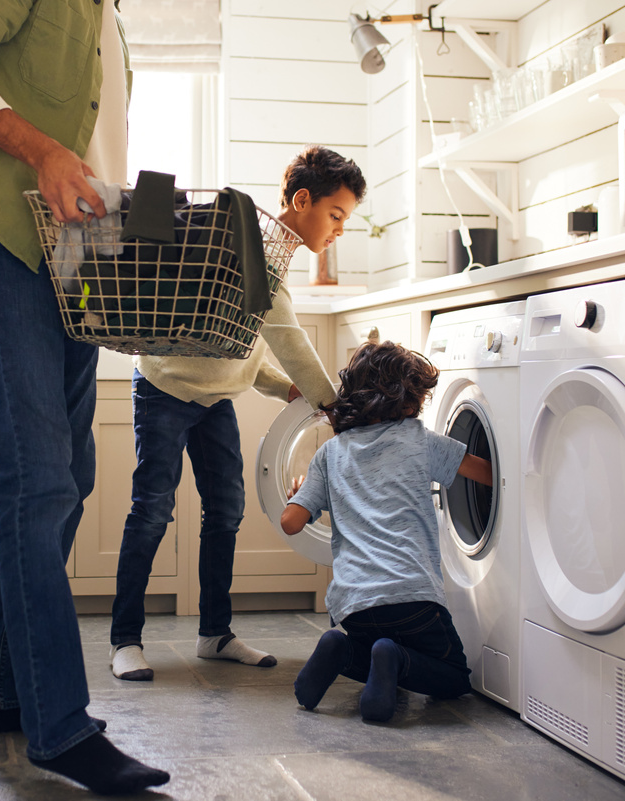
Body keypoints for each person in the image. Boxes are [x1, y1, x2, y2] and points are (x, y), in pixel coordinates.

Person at [0, 2, 170, 795]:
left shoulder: (109, 19)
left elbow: (92, 147)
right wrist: (41, 149)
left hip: (74, 257)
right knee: (38, 482)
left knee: (66, 481)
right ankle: (60, 726)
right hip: (2, 235)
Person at [109, 146, 367, 681]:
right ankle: (125, 640)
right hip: (166, 387)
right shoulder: (256, 246)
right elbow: (287, 337)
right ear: (302, 201)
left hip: (215, 398)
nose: (339, 229)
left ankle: (214, 634)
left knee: (225, 510)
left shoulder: (272, 255)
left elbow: (242, 343)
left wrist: (282, 389)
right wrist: (331, 405)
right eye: (336, 215)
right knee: (152, 509)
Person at [280, 340, 494, 722]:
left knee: (371, 644)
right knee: (453, 678)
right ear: (408, 402)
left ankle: (340, 650)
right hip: (413, 598)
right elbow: (488, 475)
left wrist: (303, 495)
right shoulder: (418, 440)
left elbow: (290, 522)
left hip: (354, 606)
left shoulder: (330, 453)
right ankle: (392, 658)